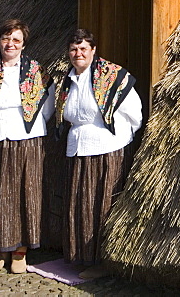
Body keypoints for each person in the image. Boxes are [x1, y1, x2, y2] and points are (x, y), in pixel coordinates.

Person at [56, 28, 143, 279]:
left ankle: (102, 262)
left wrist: (121, 137)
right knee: (79, 204)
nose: (78, 53)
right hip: (77, 149)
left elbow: (134, 112)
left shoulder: (112, 76)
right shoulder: (68, 80)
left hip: (107, 148)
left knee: (101, 204)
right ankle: (80, 257)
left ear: (93, 50)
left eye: (83, 48)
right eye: (73, 49)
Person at [0, 18, 54, 274]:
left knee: (24, 191)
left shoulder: (36, 70)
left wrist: (30, 124)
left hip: (25, 134)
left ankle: (20, 252)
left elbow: (46, 104)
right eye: (6, 38)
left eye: (16, 40)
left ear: (23, 44)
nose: (11, 44)